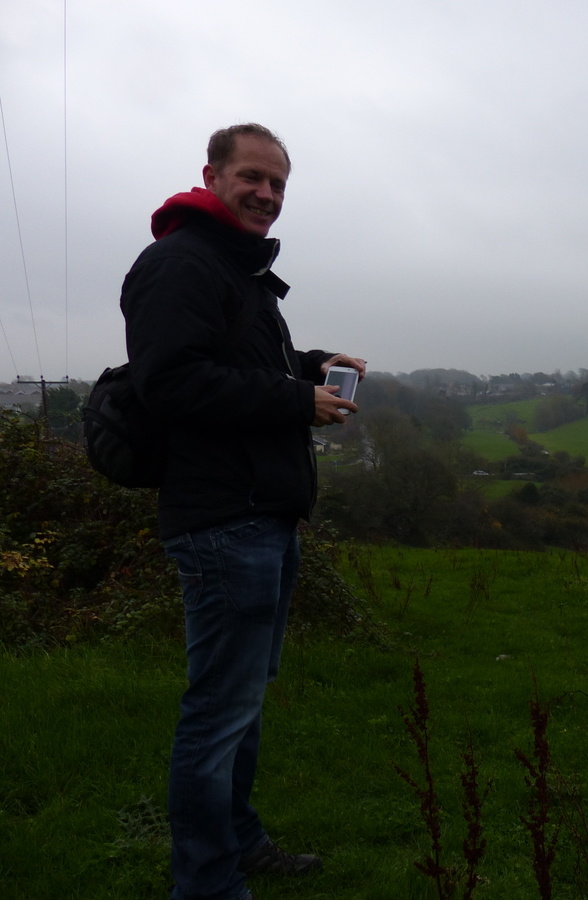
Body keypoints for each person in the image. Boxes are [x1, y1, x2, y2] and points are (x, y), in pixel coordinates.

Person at [120, 123, 364, 900]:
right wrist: (297, 399)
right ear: (213, 175)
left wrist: (308, 365)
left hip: (260, 515)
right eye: (251, 177)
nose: (266, 193)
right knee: (218, 712)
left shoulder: (233, 269)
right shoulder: (178, 265)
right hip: (224, 521)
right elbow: (172, 383)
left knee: (241, 702)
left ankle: (238, 839)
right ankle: (207, 883)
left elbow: (236, 369)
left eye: (278, 184)